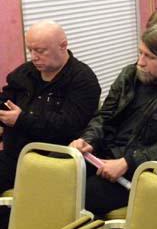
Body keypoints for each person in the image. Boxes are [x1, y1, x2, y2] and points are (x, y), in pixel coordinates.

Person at [70, 24, 157, 216]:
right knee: (57, 172)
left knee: (83, 194)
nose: (140, 62)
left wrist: (127, 162)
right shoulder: (129, 75)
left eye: (150, 57)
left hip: (142, 169)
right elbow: (104, 116)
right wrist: (88, 140)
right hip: (106, 154)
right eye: (140, 53)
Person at [0, 21, 100, 196]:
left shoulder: (83, 80)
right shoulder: (25, 72)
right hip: (15, 155)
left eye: (40, 51)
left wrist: (21, 120)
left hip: (53, 160)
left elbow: (69, 127)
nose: (34, 57)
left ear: (63, 46)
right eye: (30, 50)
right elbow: (5, 100)